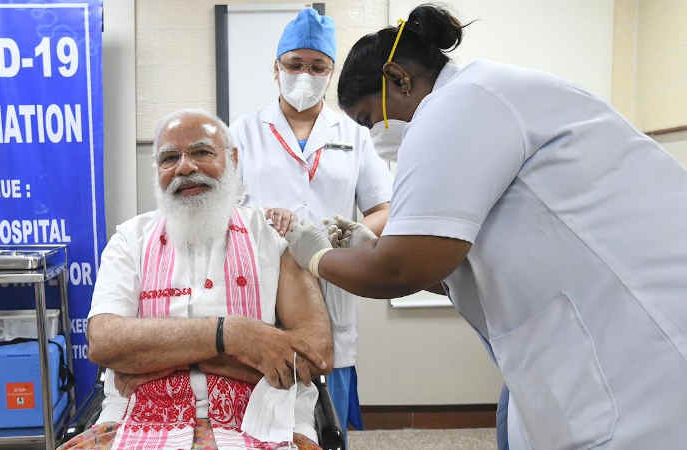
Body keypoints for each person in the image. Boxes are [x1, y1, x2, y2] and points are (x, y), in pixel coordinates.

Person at [284, 3, 687, 449]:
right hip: (576, 330)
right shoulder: (486, 95)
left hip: (639, 349)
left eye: (368, 119)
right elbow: (463, 266)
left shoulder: (459, 105)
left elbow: (399, 271)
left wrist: (319, 257)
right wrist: (368, 247)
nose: (374, 134)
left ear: (399, 78)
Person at [59, 109, 333, 450]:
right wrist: (233, 335)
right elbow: (104, 342)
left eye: (202, 152)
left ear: (232, 159)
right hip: (140, 421)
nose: (185, 167)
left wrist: (157, 355)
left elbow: (314, 353)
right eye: (169, 158)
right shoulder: (130, 239)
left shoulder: (275, 237)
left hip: (260, 422)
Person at [230, 8, 393, 443]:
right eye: (295, 64)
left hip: (331, 279)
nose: (306, 74)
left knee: (327, 418)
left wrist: (355, 232)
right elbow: (223, 211)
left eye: (317, 67)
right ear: (276, 67)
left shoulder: (355, 133)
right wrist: (260, 220)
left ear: (331, 72)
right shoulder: (244, 132)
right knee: (262, 417)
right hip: (262, 283)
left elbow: (384, 206)